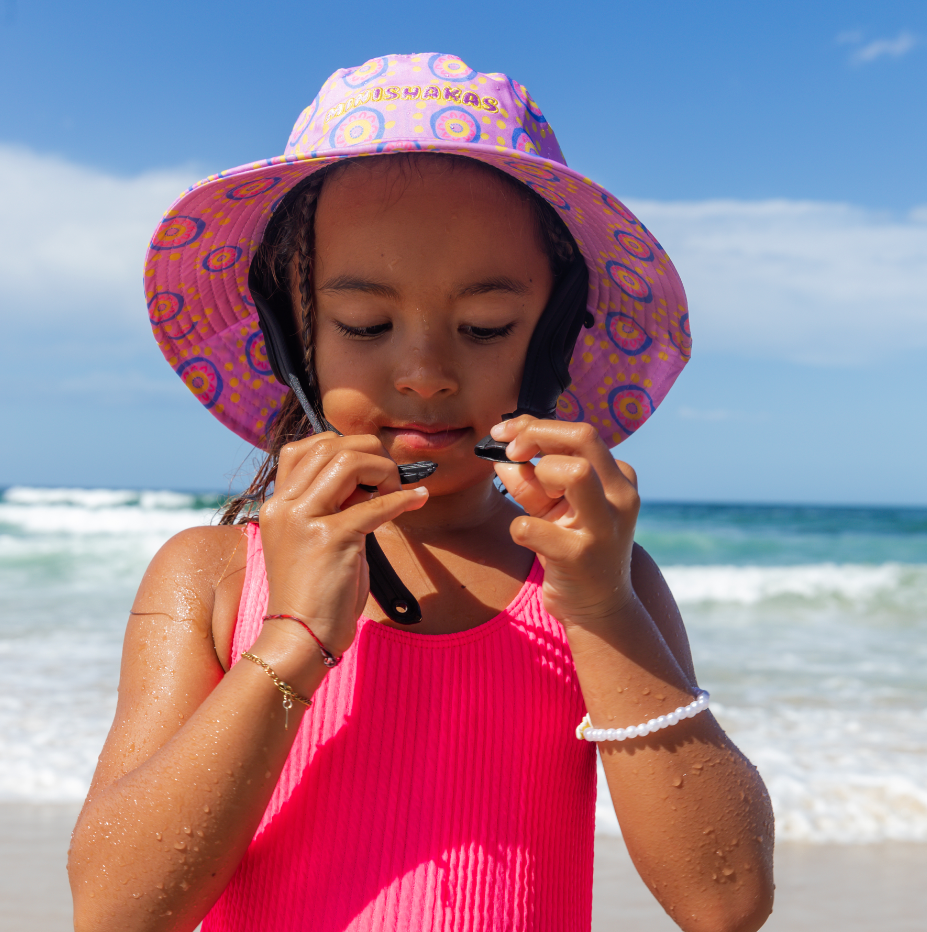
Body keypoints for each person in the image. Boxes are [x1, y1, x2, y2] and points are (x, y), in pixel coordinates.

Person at [68, 53, 774, 932]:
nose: (426, 374)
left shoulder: (594, 584)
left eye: (484, 327)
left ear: (553, 337)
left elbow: (726, 900)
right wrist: (292, 641)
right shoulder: (210, 578)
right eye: (366, 325)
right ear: (299, 335)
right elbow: (113, 911)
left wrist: (601, 608)